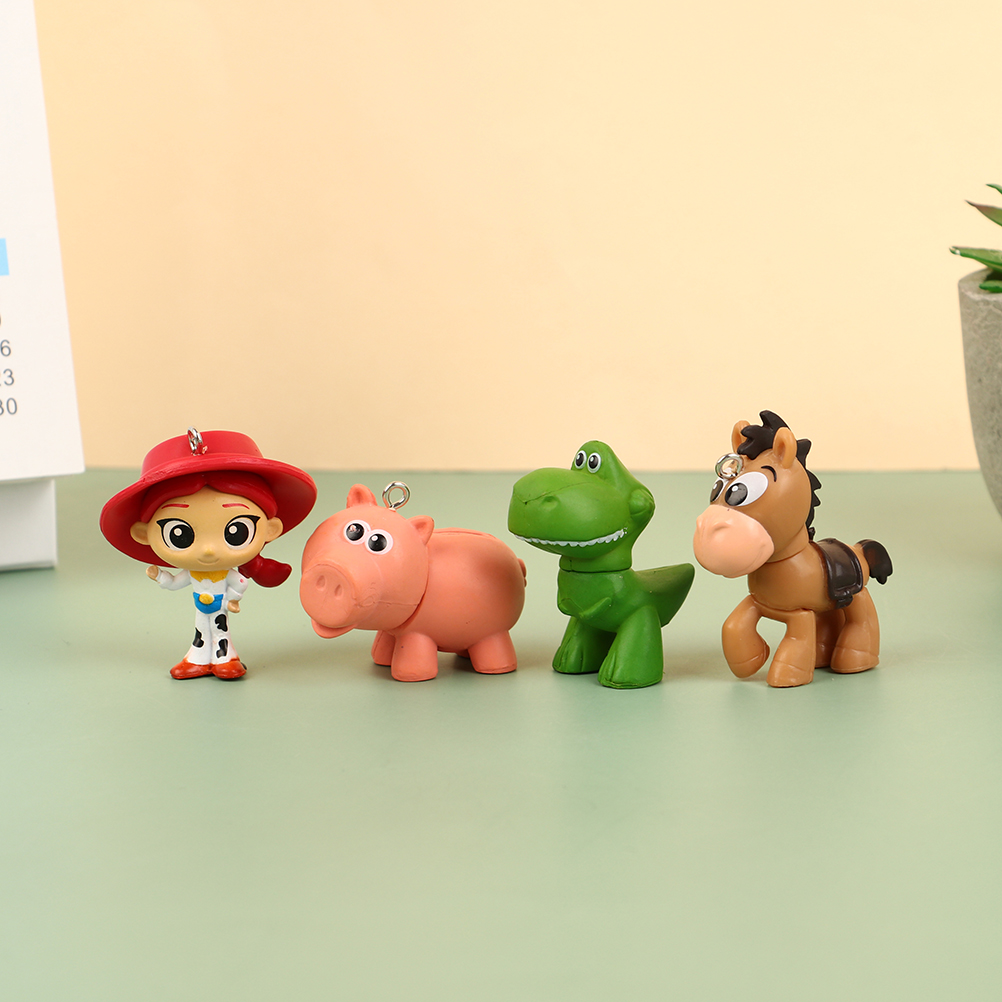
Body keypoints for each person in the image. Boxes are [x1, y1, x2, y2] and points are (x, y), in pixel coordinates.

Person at [100, 428, 317, 679]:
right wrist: (160, 576)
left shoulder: (225, 574)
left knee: (220, 630)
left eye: (236, 532)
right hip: (202, 607)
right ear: (143, 534)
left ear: (271, 529)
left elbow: (240, 582)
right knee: (201, 630)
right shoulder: (192, 573)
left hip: (219, 605)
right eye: (179, 534)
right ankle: (198, 659)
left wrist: (232, 599)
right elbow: (175, 583)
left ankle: (226, 659)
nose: (208, 549)